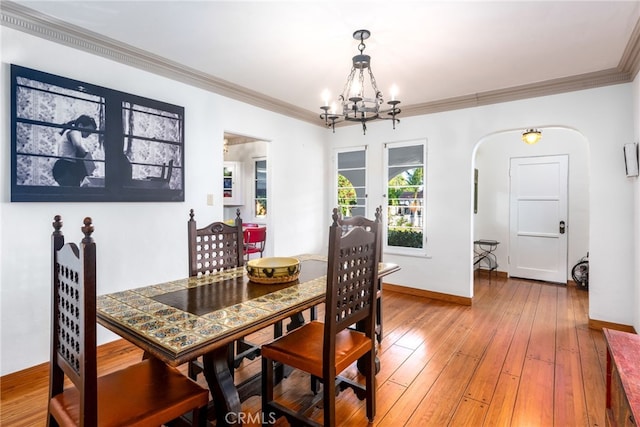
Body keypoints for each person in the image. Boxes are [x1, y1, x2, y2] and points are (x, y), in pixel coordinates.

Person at [52, 115, 98, 186]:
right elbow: (77, 145)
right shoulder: (74, 131)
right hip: (67, 167)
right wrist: (88, 161)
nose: (89, 134)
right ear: (80, 125)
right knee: (73, 192)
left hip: (63, 167)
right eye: (88, 130)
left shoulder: (69, 131)